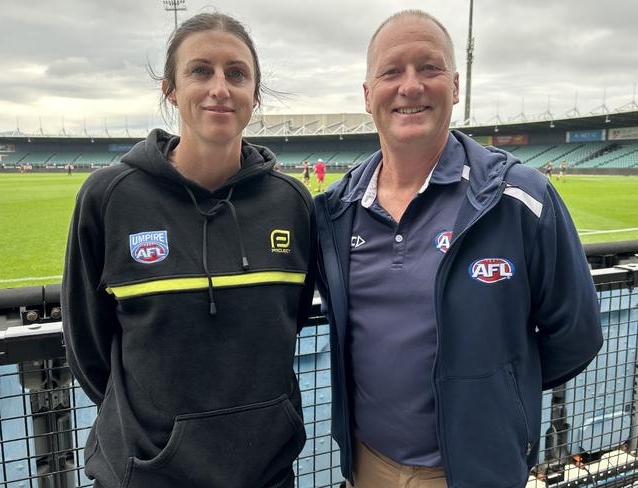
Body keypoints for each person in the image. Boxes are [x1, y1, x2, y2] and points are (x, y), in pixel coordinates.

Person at [314, 10, 602, 488]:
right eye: (391, 71)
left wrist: (497, 394)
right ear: (368, 95)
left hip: (477, 474)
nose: (410, 86)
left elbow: (577, 333)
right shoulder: (336, 212)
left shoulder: (520, 199)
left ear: (455, 85)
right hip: (368, 468)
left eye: (428, 68)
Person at [62, 12, 316, 488]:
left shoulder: (293, 204)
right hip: (147, 477)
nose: (220, 86)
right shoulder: (110, 197)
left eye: (236, 73)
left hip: (266, 475)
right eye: (201, 70)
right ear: (171, 89)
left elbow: (289, 318)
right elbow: (88, 345)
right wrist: (159, 445)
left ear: (254, 93)